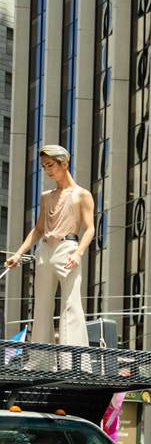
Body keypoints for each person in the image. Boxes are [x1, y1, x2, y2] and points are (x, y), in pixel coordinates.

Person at [5, 145, 95, 347]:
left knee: (71, 304)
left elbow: (90, 229)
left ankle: (73, 360)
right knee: (42, 306)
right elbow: (38, 229)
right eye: (44, 166)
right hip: (45, 250)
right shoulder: (46, 196)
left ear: (64, 163)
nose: (47, 170)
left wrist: (79, 253)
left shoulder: (82, 194)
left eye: (50, 165)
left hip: (68, 248)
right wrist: (18, 254)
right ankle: (40, 361)